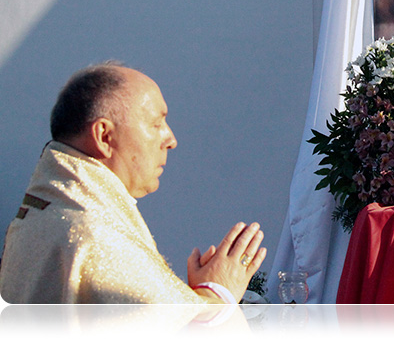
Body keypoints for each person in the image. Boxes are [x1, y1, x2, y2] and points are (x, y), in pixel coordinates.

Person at [0, 63, 267, 304]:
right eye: (155, 123)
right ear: (105, 136)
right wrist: (217, 295)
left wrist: (187, 298)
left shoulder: (48, 209)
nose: (171, 139)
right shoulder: (95, 236)